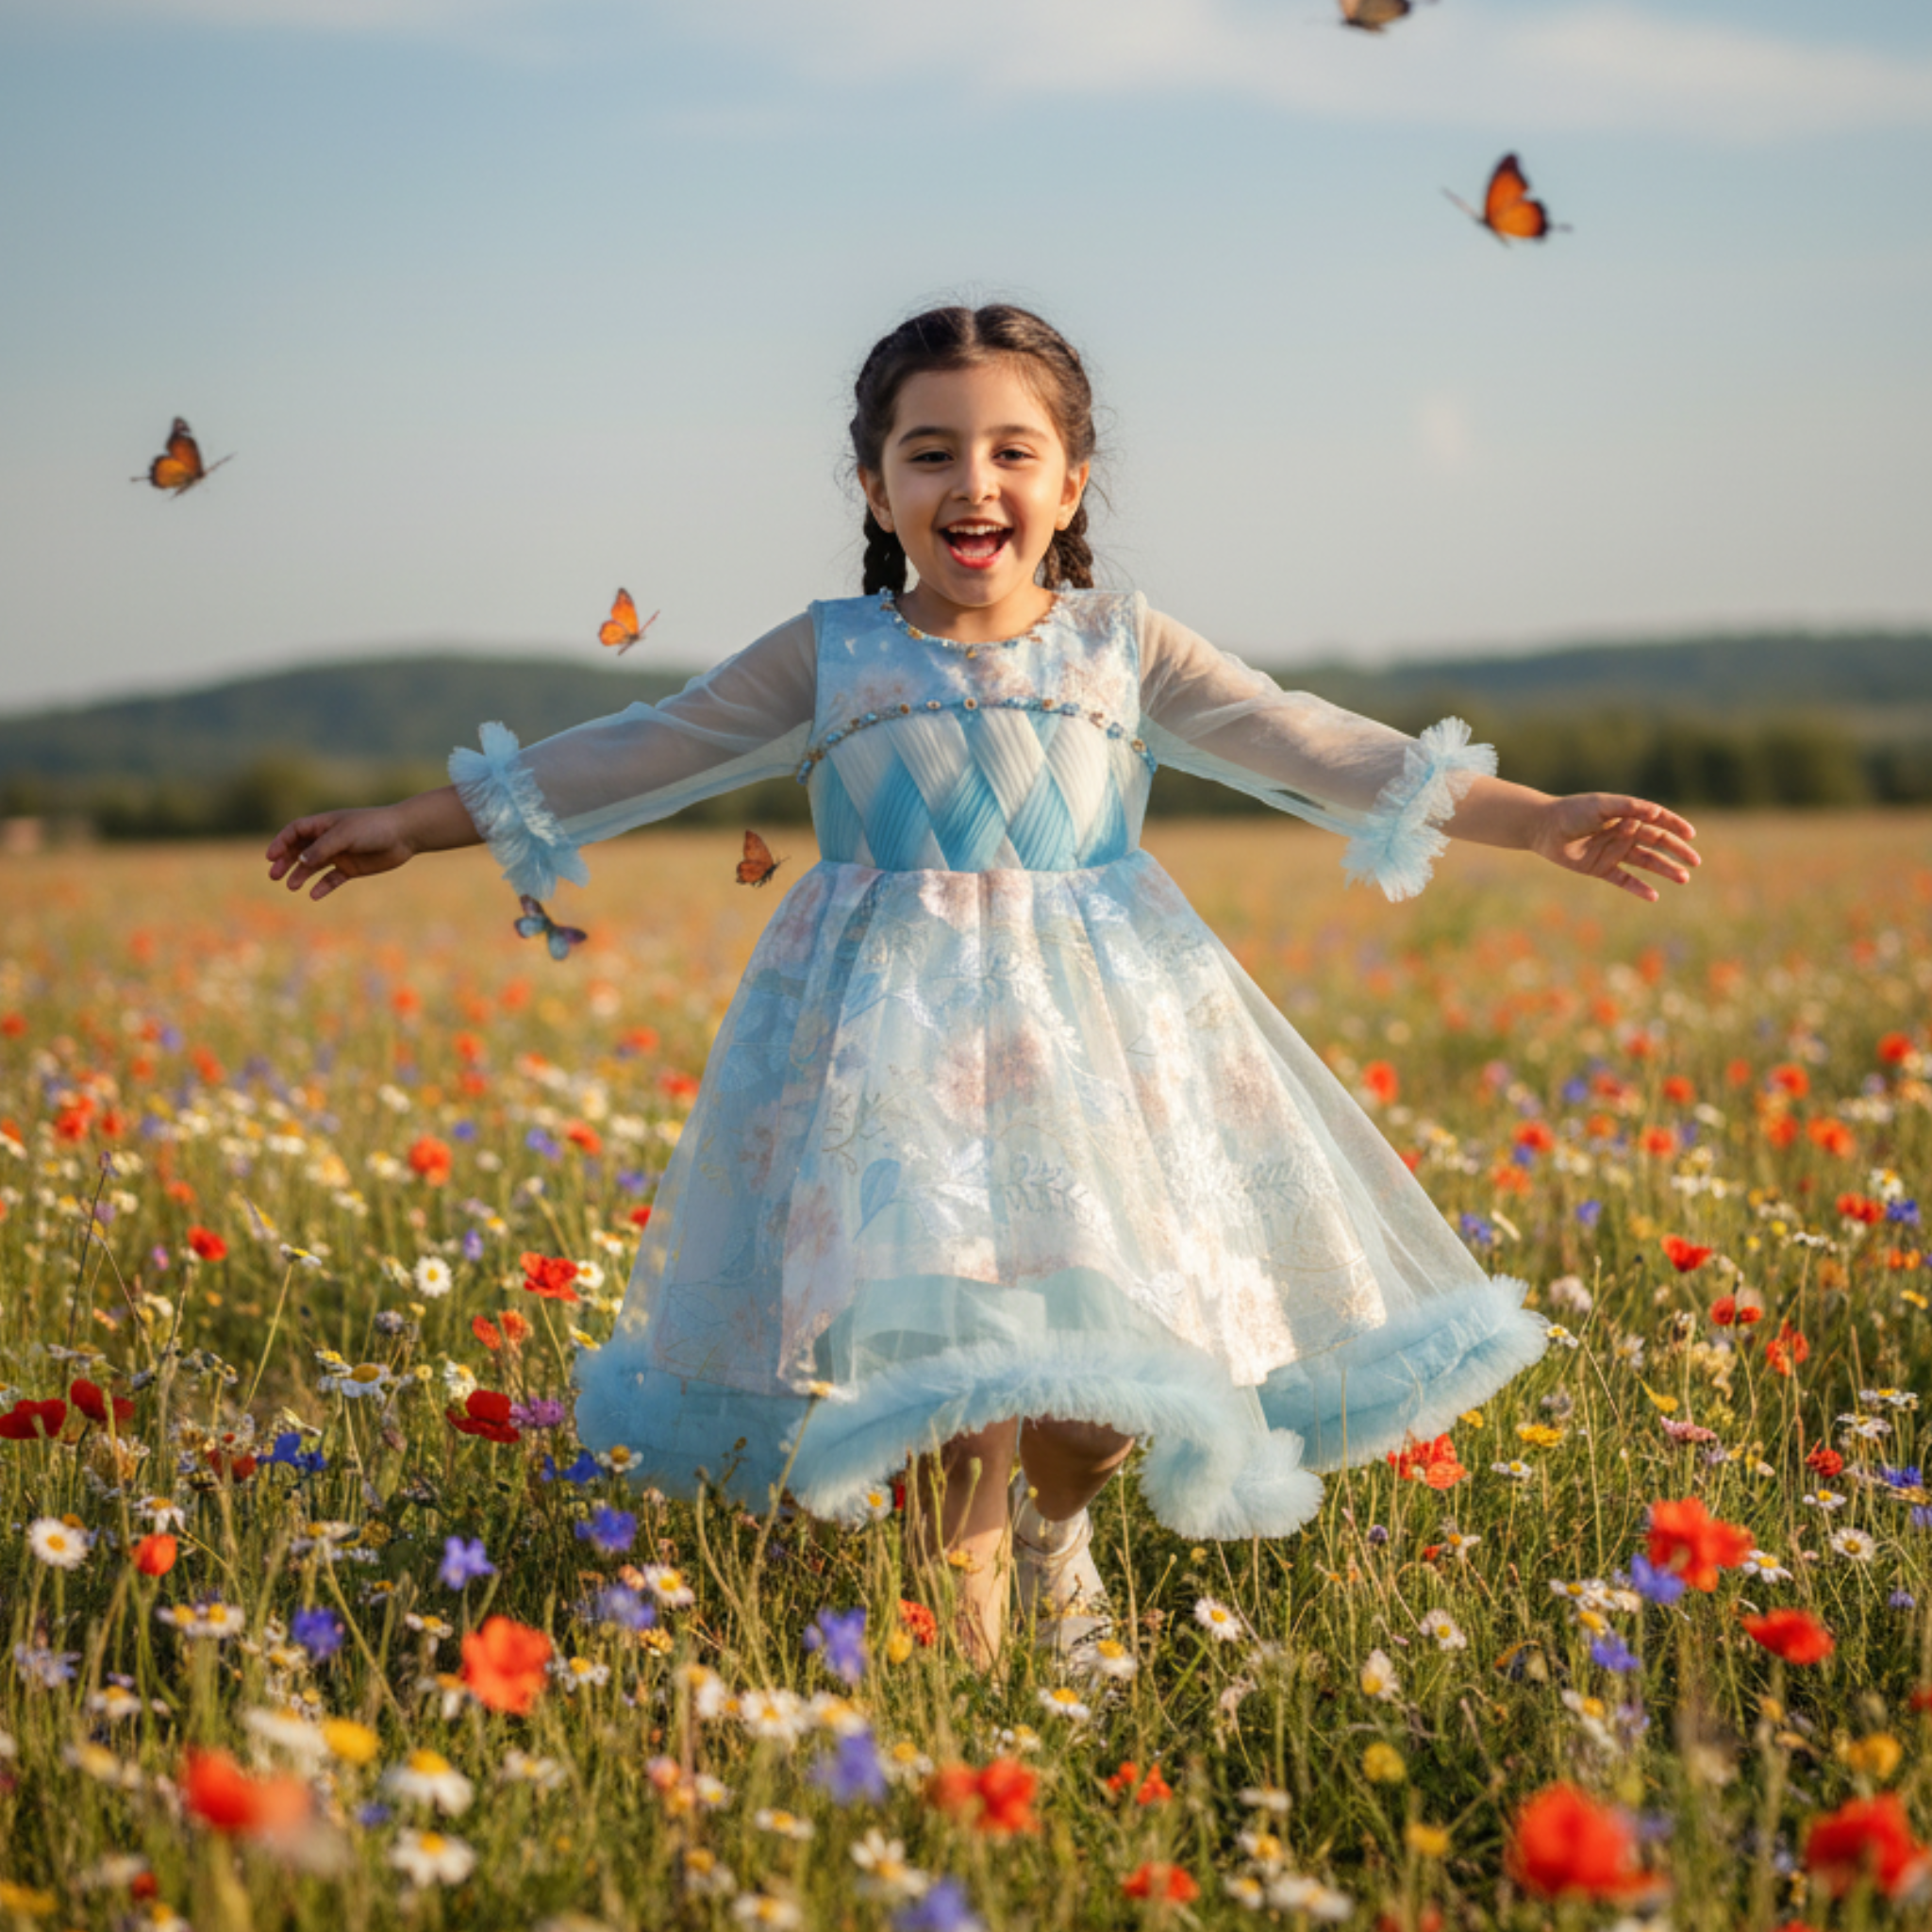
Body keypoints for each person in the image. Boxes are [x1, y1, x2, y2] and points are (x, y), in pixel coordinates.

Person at [265, 303, 1700, 1667]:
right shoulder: (832, 655)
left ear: (1072, 482)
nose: (975, 482)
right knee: (962, 1393)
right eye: (931, 451)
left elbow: (1308, 742)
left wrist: (1531, 815)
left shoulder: (1119, 646)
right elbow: (635, 749)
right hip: (902, 1058)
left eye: (1014, 450)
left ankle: (1058, 1527)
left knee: (1106, 1389)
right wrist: (409, 821)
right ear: (876, 483)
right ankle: (983, 1710)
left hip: (1106, 1040)